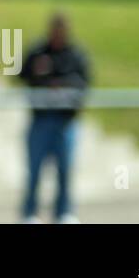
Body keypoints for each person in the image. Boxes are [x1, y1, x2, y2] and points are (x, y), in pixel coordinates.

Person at [18, 13, 91, 223]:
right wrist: (40, 74)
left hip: (65, 121)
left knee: (65, 171)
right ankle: (30, 213)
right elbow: (22, 75)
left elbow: (84, 81)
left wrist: (63, 83)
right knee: (34, 170)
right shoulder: (38, 51)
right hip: (41, 119)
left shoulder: (75, 54)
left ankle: (64, 212)